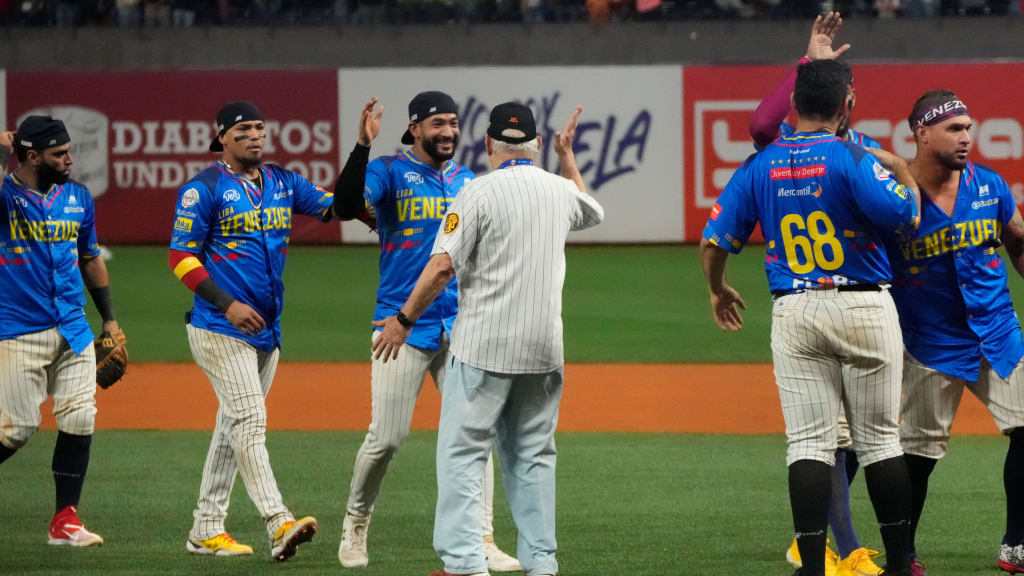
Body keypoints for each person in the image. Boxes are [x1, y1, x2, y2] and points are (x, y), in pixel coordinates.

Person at [700, 59, 921, 576]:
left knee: (808, 444)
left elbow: (714, 243)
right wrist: (905, 173)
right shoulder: (853, 156)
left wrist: (718, 289)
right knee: (880, 441)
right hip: (864, 303)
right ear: (847, 106)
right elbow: (905, 220)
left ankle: (813, 564)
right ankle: (898, 562)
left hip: (795, 308)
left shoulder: (761, 164)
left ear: (794, 106)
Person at [372, 102, 603, 576]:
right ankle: (542, 565)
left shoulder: (476, 192)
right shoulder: (560, 191)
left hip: (484, 349)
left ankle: (463, 565)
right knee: (535, 457)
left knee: (463, 454)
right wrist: (568, 159)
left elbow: (440, 266)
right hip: (545, 352)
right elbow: (594, 211)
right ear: (536, 145)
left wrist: (403, 319)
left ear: (487, 145)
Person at [332, 91, 520, 572]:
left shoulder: (466, 181)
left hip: (461, 324)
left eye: (454, 124)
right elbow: (346, 204)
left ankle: (482, 538)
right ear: (414, 128)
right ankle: (356, 521)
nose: (449, 132)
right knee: (387, 437)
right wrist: (361, 147)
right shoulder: (390, 171)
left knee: (476, 434)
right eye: (438, 123)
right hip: (398, 325)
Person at [748, 12, 883, 576]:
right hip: (820, 303)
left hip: (867, 303)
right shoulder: (793, 147)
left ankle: (824, 536)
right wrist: (808, 61)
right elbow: (761, 123)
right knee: (835, 435)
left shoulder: (865, 149)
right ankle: (841, 545)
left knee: (855, 434)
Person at [168, 100, 327, 561]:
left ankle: (205, 529)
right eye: (243, 129)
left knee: (231, 428)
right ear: (222, 137)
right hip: (218, 327)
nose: (255, 134)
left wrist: (360, 146)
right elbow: (181, 257)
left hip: (266, 332)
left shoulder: (281, 182)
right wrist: (227, 303)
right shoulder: (204, 189)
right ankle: (278, 523)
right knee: (251, 421)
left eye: (260, 127)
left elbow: (337, 206)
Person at [889, 91, 1024, 576]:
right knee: (918, 456)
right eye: (954, 128)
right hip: (932, 343)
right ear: (922, 134)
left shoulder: (988, 186)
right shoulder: (894, 197)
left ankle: (1017, 545)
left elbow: (1018, 240)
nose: (966, 137)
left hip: (998, 332)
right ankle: (902, 554)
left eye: (968, 127)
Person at [0, 116, 122, 547]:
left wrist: (108, 319)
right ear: (32, 156)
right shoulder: (5, 196)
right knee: (14, 429)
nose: (70, 159)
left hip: (73, 328)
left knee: (80, 416)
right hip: (17, 330)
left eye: (70, 150)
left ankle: (65, 520)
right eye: (59, 153)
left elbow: (89, 257)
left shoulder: (77, 197)